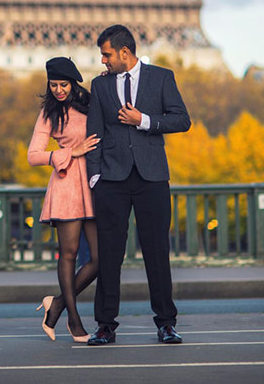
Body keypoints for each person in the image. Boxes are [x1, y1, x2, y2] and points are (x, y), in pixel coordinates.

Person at [84, 24, 191, 346]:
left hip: (152, 178)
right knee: (109, 255)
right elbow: (94, 134)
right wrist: (95, 176)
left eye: (106, 55)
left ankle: (166, 323)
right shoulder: (99, 86)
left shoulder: (162, 77)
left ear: (124, 52)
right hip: (111, 181)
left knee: (157, 253)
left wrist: (143, 120)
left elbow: (181, 120)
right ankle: (105, 325)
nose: (103, 61)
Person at [28, 57, 100, 343]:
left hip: (94, 184)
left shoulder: (92, 102)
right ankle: (73, 318)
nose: (58, 90)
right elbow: (33, 156)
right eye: (53, 85)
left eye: (63, 84)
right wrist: (72, 152)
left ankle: (55, 304)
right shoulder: (49, 112)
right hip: (67, 183)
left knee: (101, 259)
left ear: (74, 82)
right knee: (68, 254)